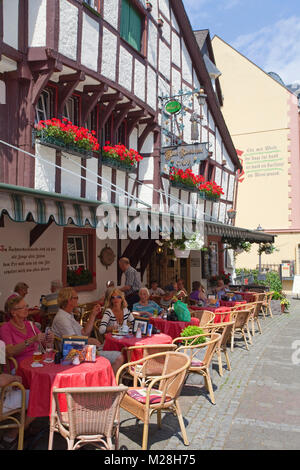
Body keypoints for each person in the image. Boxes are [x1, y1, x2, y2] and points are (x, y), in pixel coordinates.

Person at [51, 288, 123, 375]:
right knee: (119, 357)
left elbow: (85, 332)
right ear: (69, 300)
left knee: (112, 347)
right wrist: (89, 340)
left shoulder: (68, 314)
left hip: (81, 349)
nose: (78, 299)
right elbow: (72, 340)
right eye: (76, 298)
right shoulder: (62, 318)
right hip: (75, 354)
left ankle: (103, 378)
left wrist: (93, 314)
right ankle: (110, 385)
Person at [0, 296, 53, 367]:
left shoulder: (30, 324)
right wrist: (31, 340)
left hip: (37, 362)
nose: (27, 309)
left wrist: (49, 340)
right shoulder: (6, 328)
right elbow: (9, 352)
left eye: (26, 306)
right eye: (23, 307)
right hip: (19, 366)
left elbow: (45, 345)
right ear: (13, 312)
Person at [0, 340, 33, 450]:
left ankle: (25, 426)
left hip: (5, 392)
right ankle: (11, 436)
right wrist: (13, 378)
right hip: (2, 401)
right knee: (41, 397)